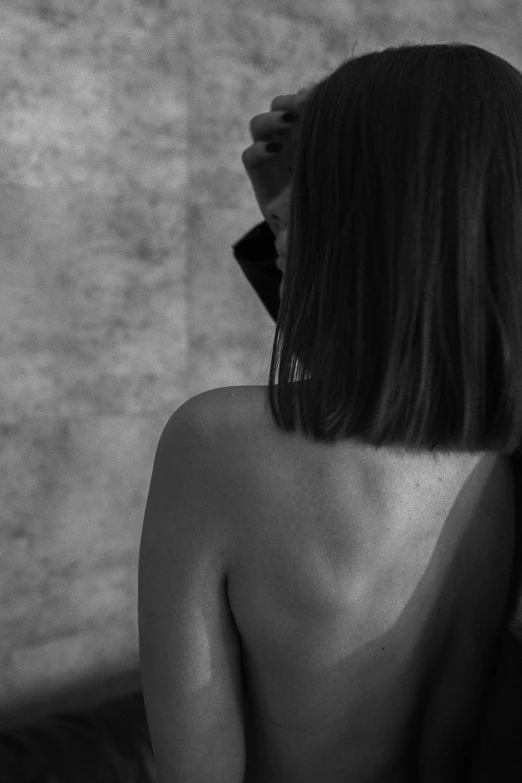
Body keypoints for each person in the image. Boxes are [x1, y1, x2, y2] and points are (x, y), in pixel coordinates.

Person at [139, 42, 522, 782]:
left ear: (378, 209)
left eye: (321, 185)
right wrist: (291, 217)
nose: (280, 214)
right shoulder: (495, 459)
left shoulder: (214, 443)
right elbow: (393, 367)